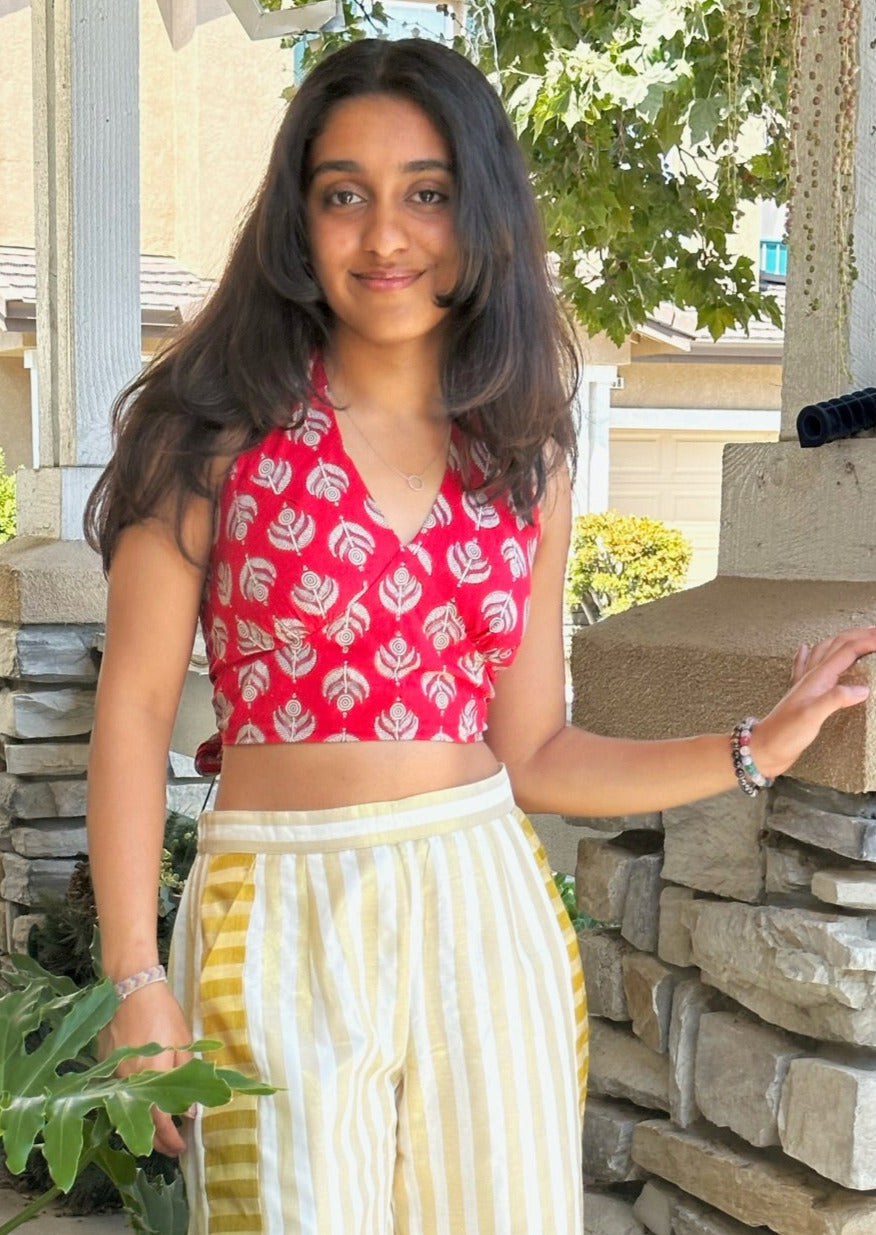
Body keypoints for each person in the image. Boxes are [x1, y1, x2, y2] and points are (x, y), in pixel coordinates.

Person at [84, 36, 876, 1235]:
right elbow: (136, 715)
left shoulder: (523, 455)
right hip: (277, 910)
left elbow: (540, 753)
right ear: (300, 218)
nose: (386, 236)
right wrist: (134, 975)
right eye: (344, 193)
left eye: (427, 194)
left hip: (481, 903)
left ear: (480, 214)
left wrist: (755, 743)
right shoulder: (210, 429)